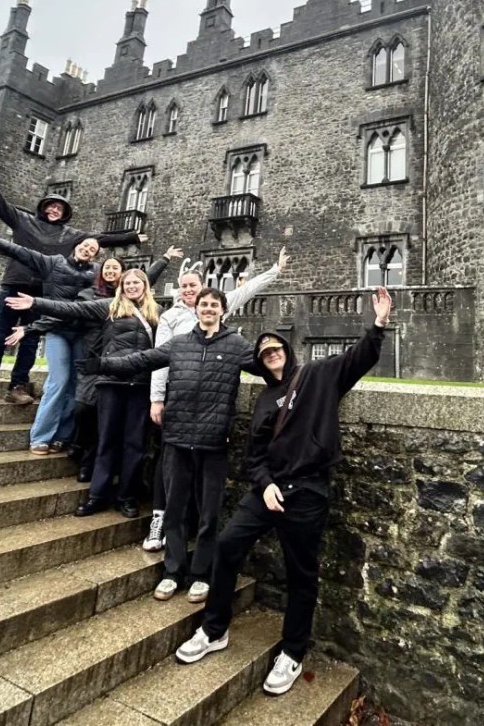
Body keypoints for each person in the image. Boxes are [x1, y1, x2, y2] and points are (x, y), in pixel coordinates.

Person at [175, 287, 393, 698]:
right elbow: (254, 457)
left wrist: (378, 324)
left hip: (307, 490)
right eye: (264, 351)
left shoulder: (316, 375)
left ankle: (293, 651)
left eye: (276, 347)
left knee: (302, 574)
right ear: (258, 363)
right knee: (226, 545)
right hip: (268, 490)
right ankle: (214, 628)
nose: (271, 353)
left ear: (287, 351)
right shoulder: (262, 401)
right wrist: (266, 484)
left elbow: (358, 359)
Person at [95, 286, 262, 605]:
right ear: (196, 309)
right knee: (174, 509)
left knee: (209, 513)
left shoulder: (236, 345)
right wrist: (103, 364)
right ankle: (172, 572)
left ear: (223, 311)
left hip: (213, 441)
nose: (209, 309)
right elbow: (143, 359)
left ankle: (200, 575)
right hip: (177, 437)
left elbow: (271, 366)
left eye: (215, 305)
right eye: (204, 304)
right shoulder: (180, 343)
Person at [140, 248, 289, 552]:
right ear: (180, 290)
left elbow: (247, 290)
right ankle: (161, 520)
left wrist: (275, 269)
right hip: (176, 396)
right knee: (168, 465)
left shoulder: (217, 308)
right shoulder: (170, 317)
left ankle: (189, 533)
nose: (189, 290)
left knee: (203, 478)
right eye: (184, 286)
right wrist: (157, 399)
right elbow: (159, 360)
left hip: (211, 403)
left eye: (193, 285)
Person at [0, 152, 143, 405]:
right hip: (13, 286)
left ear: (65, 213)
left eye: (59, 207)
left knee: (29, 339)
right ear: (43, 207)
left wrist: (132, 237)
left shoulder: (71, 235)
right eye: (51, 205)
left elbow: (100, 238)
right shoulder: (22, 220)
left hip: (40, 294)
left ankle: (18, 386)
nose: (54, 209)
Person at [9, 260, 177, 518]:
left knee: (135, 444)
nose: (132, 286)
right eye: (128, 282)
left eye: (137, 282)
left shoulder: (158, 313)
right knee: (106, 440)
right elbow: (73, 309)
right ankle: (97, 495)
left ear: (145, 286)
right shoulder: (108, 307)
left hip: (141, 384)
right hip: (110, 382)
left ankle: (127, 497)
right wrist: (36, 303)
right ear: (122, 286)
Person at [0, 226, 101, 454]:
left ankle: (62, 436)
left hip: (81, 334)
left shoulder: (96, 272)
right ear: (77, 246)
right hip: (56, 330)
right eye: (85, 245)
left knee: (76, 385)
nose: (87, 249)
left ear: (95, 256)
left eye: (92, 249)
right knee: (58, 381)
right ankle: (41, 435)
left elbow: (126, 281)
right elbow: (21, 252)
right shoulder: (54, 263)